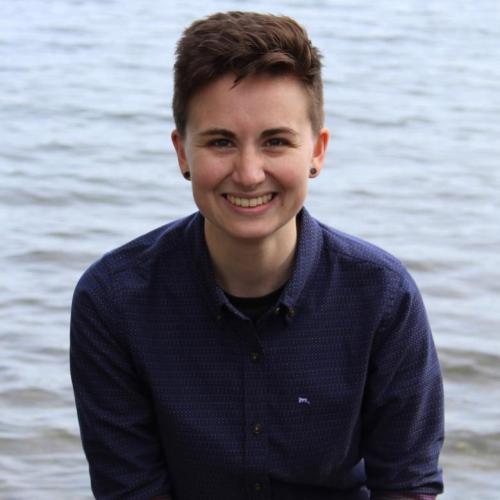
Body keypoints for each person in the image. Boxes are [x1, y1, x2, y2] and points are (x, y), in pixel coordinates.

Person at [70, 11, 444, 500]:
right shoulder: (113, 302)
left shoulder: (382, 296)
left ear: (317, 151)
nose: (248, 174)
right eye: (221, 141)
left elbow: (408, 486)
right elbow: (130, 491)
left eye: (276, 142)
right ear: (183, 153)